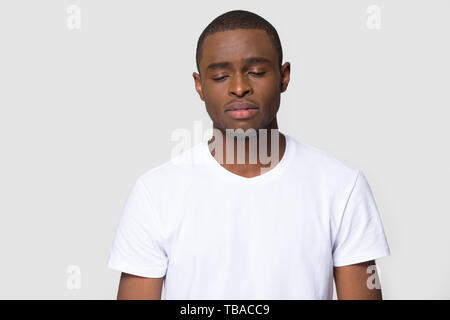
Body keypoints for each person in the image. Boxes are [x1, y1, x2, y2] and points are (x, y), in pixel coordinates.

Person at [107, 9, 390, 300]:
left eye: (256, 72)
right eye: (220, 76)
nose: (239, 88)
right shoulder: (154, 193)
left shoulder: (341, 186)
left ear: (284, 77)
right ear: (199, 85)